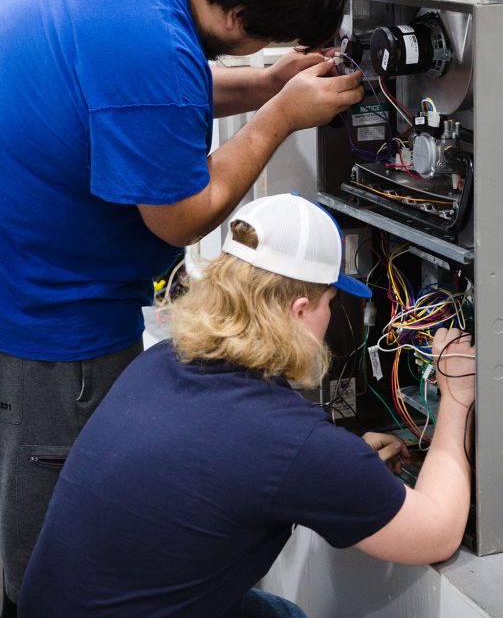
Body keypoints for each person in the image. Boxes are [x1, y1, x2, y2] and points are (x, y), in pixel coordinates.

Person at [0, 0, 363, 610]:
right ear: (234, 18)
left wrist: (263, 81)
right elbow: (180, 217)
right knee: (53, 531)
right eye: (258, 45)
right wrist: (278, 118)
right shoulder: (146, 39)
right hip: (54, 315)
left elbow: (157, 91)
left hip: (18, 252)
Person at [18, 193, 476, 618]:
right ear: (298, 311)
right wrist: (455, 394)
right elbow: (439, 531)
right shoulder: (286, 442)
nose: (329, 317)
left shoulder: (165, 360)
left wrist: (341, 461)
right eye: (330, 302)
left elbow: (237, 460)